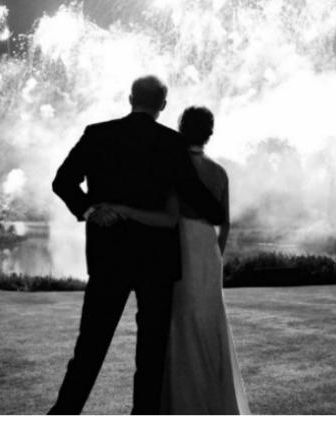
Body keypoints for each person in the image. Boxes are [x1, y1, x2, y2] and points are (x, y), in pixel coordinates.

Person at [48, 75, 225, 415]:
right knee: (151, 354)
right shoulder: (171, 143)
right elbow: (193, 192)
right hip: (156, 260)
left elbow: (62, 180)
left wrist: (88, 209)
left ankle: (63, 414)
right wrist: (216, 211)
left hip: (108, 256)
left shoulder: (97, 134)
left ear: (130, 98)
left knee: (89, 349)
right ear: (162, 104)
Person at [105, 107, 249, 413]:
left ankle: (174, 404)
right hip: (207, 251)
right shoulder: (219, 172)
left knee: (173, 322)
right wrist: (215, 257)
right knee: (208, 323)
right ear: (209, 133)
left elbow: (163, 216)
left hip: (176, 245)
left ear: (180, 129)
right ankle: (212, 402)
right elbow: (224, 223)